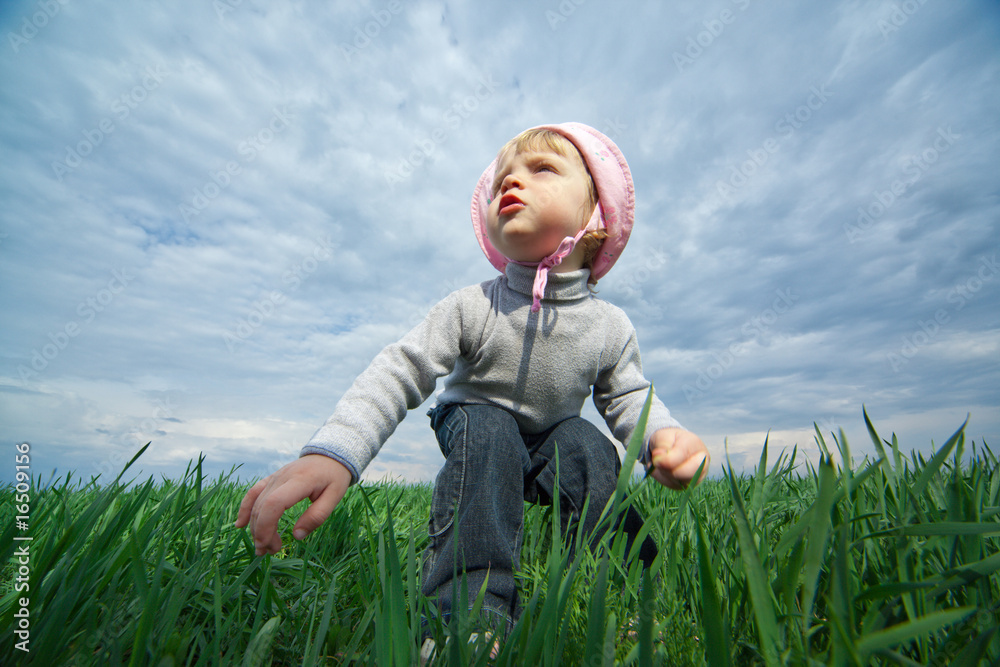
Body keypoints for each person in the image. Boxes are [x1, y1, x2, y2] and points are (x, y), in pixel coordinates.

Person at [235, 122, 711, 634]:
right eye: (501, 179)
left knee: (588, 446)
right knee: (490, 430)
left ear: (596, 215)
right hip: (472, 418)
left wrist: (663, 437)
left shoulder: (609, 326)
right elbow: (401, 368)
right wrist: (334, 451)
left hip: (551, 433)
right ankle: (470, 618)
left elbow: (628, 395)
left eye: (542, 169)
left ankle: (616, 597)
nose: (510, 182)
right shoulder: (473, 305)